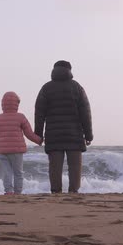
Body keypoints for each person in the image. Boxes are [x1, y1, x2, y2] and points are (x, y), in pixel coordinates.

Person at [34, 60, 93, 193]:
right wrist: (88, 135)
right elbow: (85, 112)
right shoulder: (77, 87)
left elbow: (39, 112)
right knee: (75, 166)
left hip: (53, 134)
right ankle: (73, 191)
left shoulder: (46, 88)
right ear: (69, 70)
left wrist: (38, 134)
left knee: (55, 166)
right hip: (74, 134)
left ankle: (56, 192)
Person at [0, 91, 42, 195]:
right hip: (17, 151)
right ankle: (18, 192)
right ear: (16, 104)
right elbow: (29, 134)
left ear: (3, 104)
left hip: (2, 151)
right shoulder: (21, 117)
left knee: (6, 173)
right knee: (18, 172)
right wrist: (39, 140)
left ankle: (8, 191)